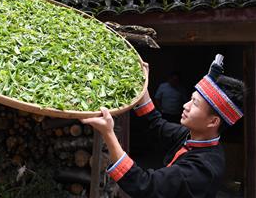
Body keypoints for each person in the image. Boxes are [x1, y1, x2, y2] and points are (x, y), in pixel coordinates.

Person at [80, 54, 244, 198]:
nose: (185, 105)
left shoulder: (203, 169)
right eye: (191, 99)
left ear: (213, 121)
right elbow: (156, 125)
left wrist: (108, 133)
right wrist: (142, 87)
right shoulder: (189, 136)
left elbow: (145, 185)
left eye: (195, 103)